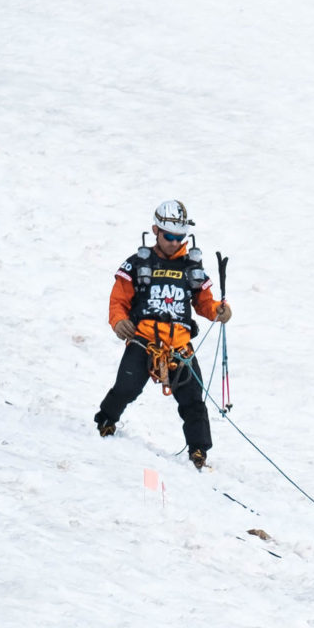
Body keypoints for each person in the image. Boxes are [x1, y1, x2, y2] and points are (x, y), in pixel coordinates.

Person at [94, 200, 229, 466]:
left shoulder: (193, 268)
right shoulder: (136, 264)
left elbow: (204, 303)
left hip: (179, 344)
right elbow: (118, 301)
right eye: (169, 236)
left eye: (180, 237)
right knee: (126, 388)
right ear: (155, 230)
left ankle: (198, 450)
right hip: (144, 340)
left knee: (193, 400)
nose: (174, 242)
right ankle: (106, 421)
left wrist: (218, 310)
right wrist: (119, 321)